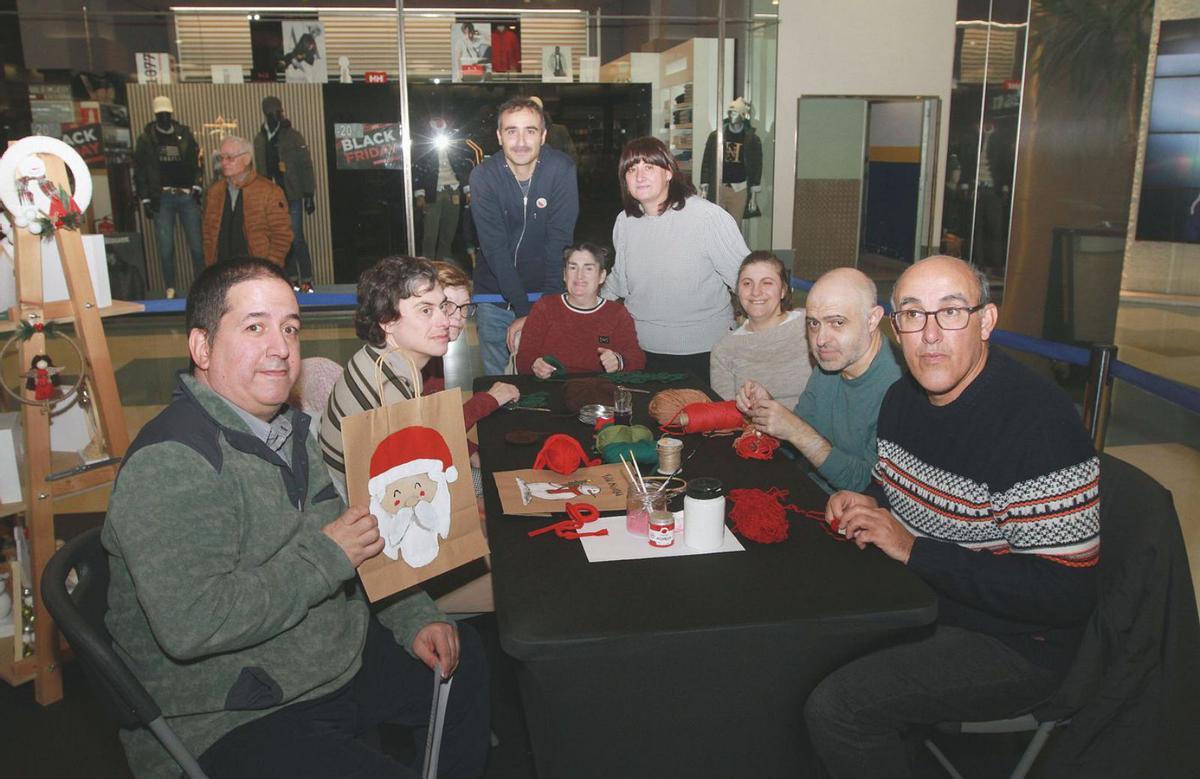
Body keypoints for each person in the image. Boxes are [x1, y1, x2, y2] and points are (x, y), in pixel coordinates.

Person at [102, 257, 489, 778]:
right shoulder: (172, 463)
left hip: (321, 658)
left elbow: (361, 537)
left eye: (289, 328)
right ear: (202, 347)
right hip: (229, 711)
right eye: (255, 327)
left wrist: (413, 616)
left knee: (464, 664)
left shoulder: (290, 429)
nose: (280, 347)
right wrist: (327, 557)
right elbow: (192, 624)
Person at [803, 256, 1100, 778]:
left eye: (952, 313)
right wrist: (868, 501)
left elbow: (1064, 593)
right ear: (895, 330)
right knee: (795, 644)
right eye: (913, 315)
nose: (930, 336)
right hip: (927, 600)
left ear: (986, 322)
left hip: (1017, 645)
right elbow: (894, 485)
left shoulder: (1039, 426)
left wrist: (914, 549)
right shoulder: (903, 399)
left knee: (839, 708)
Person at [320, 256, 516, 499]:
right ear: (387, 320)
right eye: (426, 310)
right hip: (354, 505)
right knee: (499, 486)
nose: (446, 320)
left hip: (365, 488)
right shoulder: (389, 385)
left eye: (442, 306)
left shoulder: (385, 359)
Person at [736, 267, 901, 493]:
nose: (821, 340)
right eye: (814, 323)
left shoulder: (901, 389)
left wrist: (796, 431)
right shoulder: (831, 363)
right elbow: (798, 436)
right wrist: (769, 410)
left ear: (872, 320)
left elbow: (868, 485)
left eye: (837, 323)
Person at [604, 136, 749, 378]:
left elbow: (746, 280)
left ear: (669, 172)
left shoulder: (707, 218)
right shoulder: (625, 221)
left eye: (649, 167)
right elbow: (620, 279)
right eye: (632, 169)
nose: (639, 176)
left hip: (703, 353)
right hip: (638, 350)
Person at [469, 96, 579, 375]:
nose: (520, 141)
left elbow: (560, 242)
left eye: (530, 131)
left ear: (543, 136)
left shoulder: (560, 169)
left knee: (549, 381)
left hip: (548, 292)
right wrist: (522, 309)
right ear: (498, 136)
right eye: (511, 131)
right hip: (494, 296)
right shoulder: (484, 176)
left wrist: (546, 307)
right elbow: (495, 248)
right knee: (499, 385)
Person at [515, 242, 645, 377]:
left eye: (588, 269)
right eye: (573, 268)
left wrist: (619, 361)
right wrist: (535, 364)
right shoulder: (545, 307)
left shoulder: (616, 313)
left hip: (599, 391)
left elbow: (637, 358)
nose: (579, 276)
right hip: (552, 389)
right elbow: (523, 359)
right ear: (564, 275)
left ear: (602, 276)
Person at [710, 251, 810, 409]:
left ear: (783, 290)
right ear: (738, 291)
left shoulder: (810, 325)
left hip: (814, 429)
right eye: (747, 283)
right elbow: (727, 415)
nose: (756, 292)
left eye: (767, 283)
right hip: (754, 431)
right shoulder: (724, 350)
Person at [132, 95, 204, 299]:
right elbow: (140, 169)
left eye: (166, 114)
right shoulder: (146, 138)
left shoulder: (184, 134)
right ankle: (170, 287)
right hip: (161, 195)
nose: (164, 117)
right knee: (165, 247)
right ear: (155, 115)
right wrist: (145, 198)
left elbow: (196, 159)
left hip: (185, 193)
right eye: (160, 114)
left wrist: (197, 185)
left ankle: (201, 285)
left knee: (197, 245)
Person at [254, 96, 317, 289]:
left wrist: (309, 194)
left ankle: (306, 278)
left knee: (296, 237)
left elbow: (306, 165)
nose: (275, 116)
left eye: (277, 112)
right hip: (271, 198)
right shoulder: (260, 139)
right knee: (279, 238)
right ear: (265, 115)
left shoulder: (293, 136)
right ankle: (290, 279)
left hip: (292, 194)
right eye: (270, 114)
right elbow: (260, 170)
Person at [202, 136, 292, 267]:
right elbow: (208, 234)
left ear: (246, 159)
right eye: (221, 158)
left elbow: (282, 236)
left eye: (230, 158)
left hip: (257, 271)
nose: (224, 163)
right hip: (221, 270)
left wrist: (269, 268)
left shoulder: (269, 191)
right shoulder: (214, 192)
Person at [413, 117, 483, 262]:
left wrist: (468, 189)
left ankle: (443, 264)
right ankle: (427, 266)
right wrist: (420, 193)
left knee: (449, 232)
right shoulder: (424, 136)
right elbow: (418, 167)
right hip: (433, 191)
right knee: (430, 233)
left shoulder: (453, 135)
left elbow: (463, 165)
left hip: (453, 190)